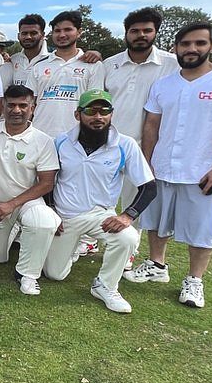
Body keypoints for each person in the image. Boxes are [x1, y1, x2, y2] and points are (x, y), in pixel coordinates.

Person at [128, 23, 212, 308]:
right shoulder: (164, 84)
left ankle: (194, 280)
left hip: (203, 170)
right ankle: (156, 264)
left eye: (199, 43)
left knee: (202, 229)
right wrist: (147, 162)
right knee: (157, 221)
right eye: (185, 44)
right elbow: (152, 125)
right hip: (163, 165)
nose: (192, 49)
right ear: (176, 48)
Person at [43, 90, 156, 313]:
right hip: (64, 218)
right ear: (78, 115)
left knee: (127, 237)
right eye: (91, 111)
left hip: (100, 215)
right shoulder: (61, 142)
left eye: (104, 111)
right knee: (55, 274)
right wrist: (51, 211)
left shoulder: (125, 144)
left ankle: (105, 286)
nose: (98, 117)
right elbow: (48, 180)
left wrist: (127, 215)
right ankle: (72, 248)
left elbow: (149, 186)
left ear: (112, 114)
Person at [0, 86, 61, 295]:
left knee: (43, 220)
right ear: (3, 106)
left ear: (33, 107)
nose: (17, 110)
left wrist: (11, 205)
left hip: (26, 202)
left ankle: (28, 275)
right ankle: (15, 232)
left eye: (23, 105)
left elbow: (46, 183)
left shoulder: (44, 140)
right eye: (11, 105)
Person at [103, 7, 178, 207]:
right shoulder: (109, 64)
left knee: (134, 211)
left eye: (147, 30)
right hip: (106, 145)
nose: (141, 35)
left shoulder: (173, 64)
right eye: (135, 31)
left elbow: (204, 77)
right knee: (96, 207)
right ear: (126, 33)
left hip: (145, 149)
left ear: (155, 32)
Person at [26, 10, 105, 137]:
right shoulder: (39, 66)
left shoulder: (93, 66)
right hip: (40, 137)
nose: (62, 35)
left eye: (67, 30)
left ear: (79, 32)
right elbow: (28, 104)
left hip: (76, 138)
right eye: (57, 31)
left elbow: (93, 105)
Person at [8, 14, 50, 87]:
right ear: (18, 36)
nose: (28, 37)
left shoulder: (52, 59)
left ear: (43, 35)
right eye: (24, 33)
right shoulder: (13, 59)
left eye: (33, 33)